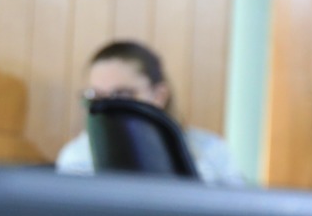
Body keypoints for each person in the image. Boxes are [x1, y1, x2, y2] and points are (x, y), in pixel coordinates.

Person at [56, 40, 244, 185]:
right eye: (96, 95)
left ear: (159, 95)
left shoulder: (212, 151)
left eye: (122, 94)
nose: (107, 106)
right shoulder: (76, 157)